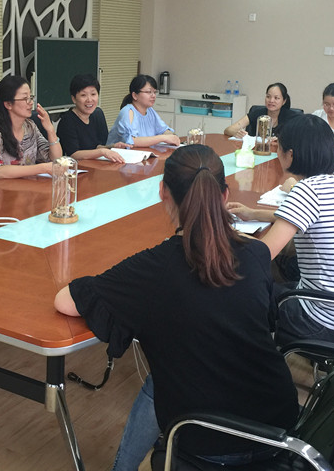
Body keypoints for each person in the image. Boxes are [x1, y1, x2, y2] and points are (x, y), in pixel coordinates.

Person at [55, 145, 298, 469]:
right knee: (166, 377)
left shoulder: (153, 269)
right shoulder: (255, 253)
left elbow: (66, 301)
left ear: (163, 192)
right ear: (225, 195)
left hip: (210, 443)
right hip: (281, 429)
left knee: (166, 377)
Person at [228, 114, 334, 344]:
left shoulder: (306, 191)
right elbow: (300, 218)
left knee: (237, 290)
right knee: (274, 280)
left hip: (320, 322)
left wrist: (229, 235)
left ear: (290, 155)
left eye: (279, 148)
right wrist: (253, 214)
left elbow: (261, 255)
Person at [0, 75, 63, 183]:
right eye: (25, 98)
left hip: (26, 188)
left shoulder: (30, 126)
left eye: (31, 97)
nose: (30, 102)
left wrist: (50, 130)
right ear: (8, 104)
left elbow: (55, 160)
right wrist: (42, 168)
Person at [55, 74, 125, 162]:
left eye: (93, 94)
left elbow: (95, 146)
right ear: (74, 99)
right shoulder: (67, 121)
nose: (89, 99)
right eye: (83, 95)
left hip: (93, 164)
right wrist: (102, 152)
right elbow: (74, 154)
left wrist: (112, 147)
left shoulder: (96, 115)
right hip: (76, 167)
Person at [106, 75, 181, 148]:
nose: (153, 96)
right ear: (135, 95)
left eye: (154, 92)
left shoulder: (150, 110)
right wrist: (162, 138)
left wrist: (171, 136)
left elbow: (164, 130)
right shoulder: (128, 112)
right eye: (148, 92)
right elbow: (132, 141)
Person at [223, 82, 298, 139]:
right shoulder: (257, 113)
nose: (271, 101)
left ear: (284, 101)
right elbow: (228, 130)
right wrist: (237, 133)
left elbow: (299, 138)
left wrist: (280, 141)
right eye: (268, 96)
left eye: (276, 98)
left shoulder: (291, 117)